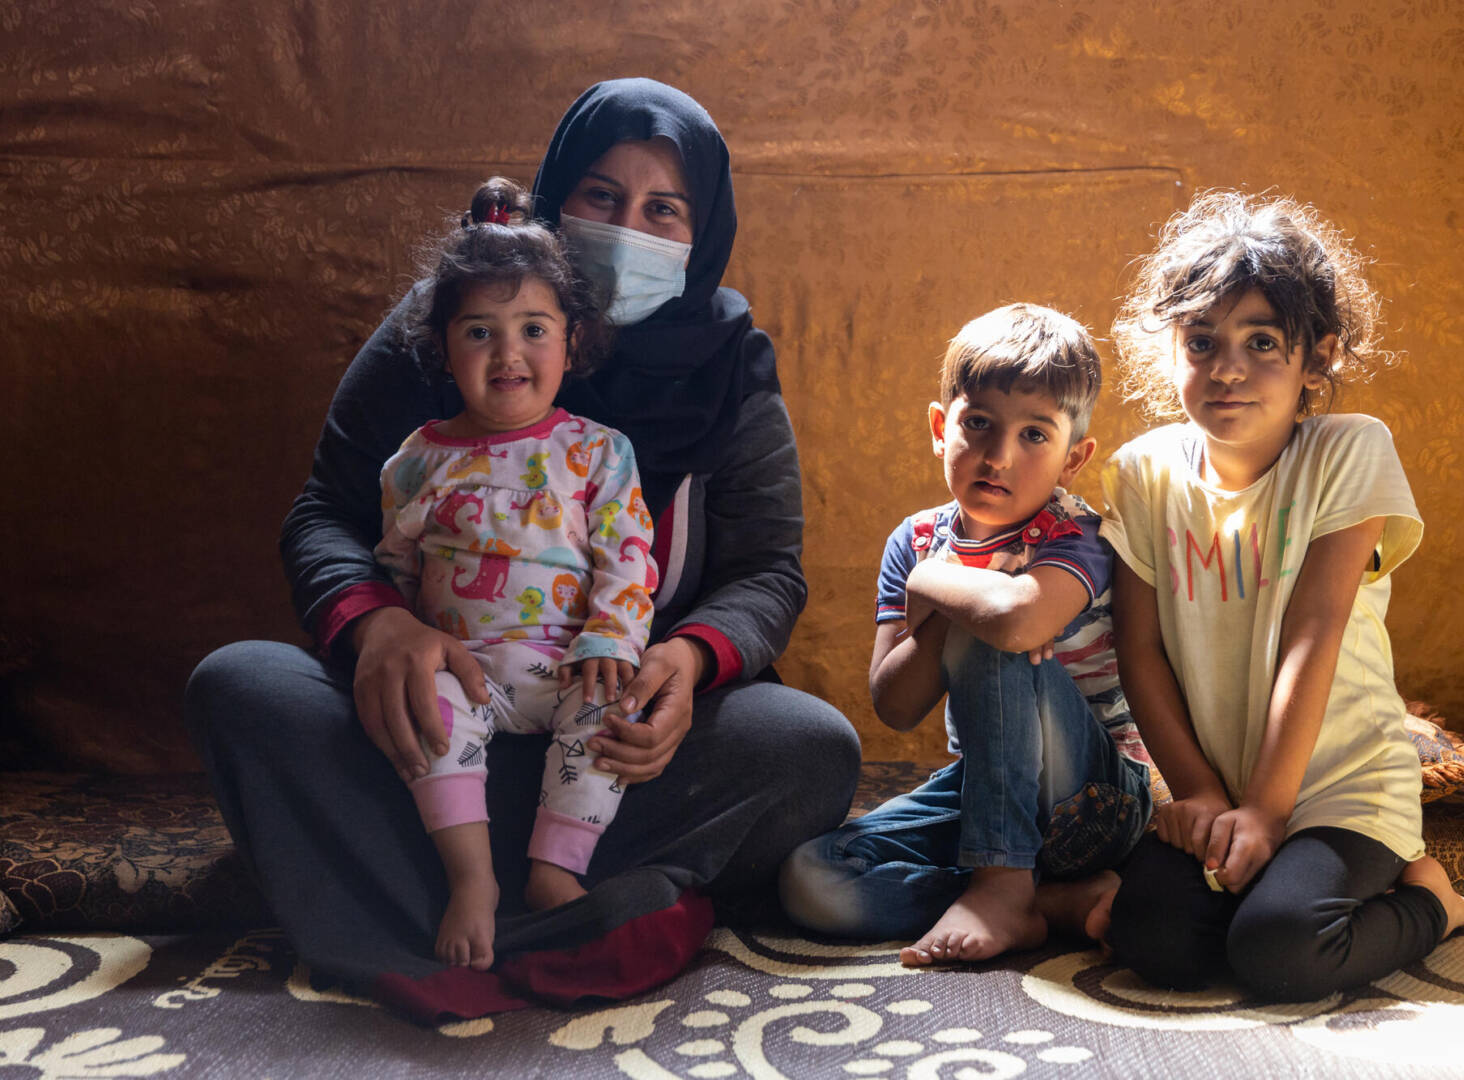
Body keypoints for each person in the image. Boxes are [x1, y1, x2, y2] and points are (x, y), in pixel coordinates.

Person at [184, 79, 860, 1022]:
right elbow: (324, 513)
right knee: (239, 686)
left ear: (701, 232)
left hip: (612, 742)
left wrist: (686, 660)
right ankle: (591, 915)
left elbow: (767, 571)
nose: (629, 226)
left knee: (807, 748)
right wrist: (377, 629)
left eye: (663, 208)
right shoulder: (451, 317)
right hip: (428, 720)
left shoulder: (730, 363)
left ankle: (429, 905)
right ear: (551, 200)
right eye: (599, 197)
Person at [1089, 190, 1464, 1001]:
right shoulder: (1143, 473)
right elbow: (1141, 648)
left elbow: (1315, 629)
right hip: (1219, 784)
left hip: (1340, 785)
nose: (1227, 368)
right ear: (1170, 350)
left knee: (1282, 951)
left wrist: (1266, 810)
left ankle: (1433, 899)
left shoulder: (1350, 451)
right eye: (1202, 341)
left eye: (1262, 342)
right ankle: (1250, 857)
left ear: (1319, 357)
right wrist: (1197, 794)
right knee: (1154, 943)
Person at [778, 304, 1154, 967]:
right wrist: (940, 586)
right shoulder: (916, 542)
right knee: (814, 879)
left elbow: (1018, 622)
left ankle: (1003, 888)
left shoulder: (1079, 533)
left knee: (992, 625)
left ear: (1074, 459)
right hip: (986, 791)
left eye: (1035, 435)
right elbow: (894, 706)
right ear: (938, 426)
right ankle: (1047, 903)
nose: (998, 456)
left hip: (1097, 799)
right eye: (977, 423)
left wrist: (938, 590)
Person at [375, 177, 659, 968]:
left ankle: (553, 868)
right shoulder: (416, 462)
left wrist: (610, 637)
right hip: (462, 674)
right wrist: (397, 642)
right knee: (420, 700)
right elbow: (392, 573)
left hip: (567, 664)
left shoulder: (599, 452)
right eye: (479, 332)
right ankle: (472, 881)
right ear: (442, 348)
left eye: (534, 328)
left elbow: (628, 557)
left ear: (573, 342)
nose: (509, 354)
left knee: (611, 706)